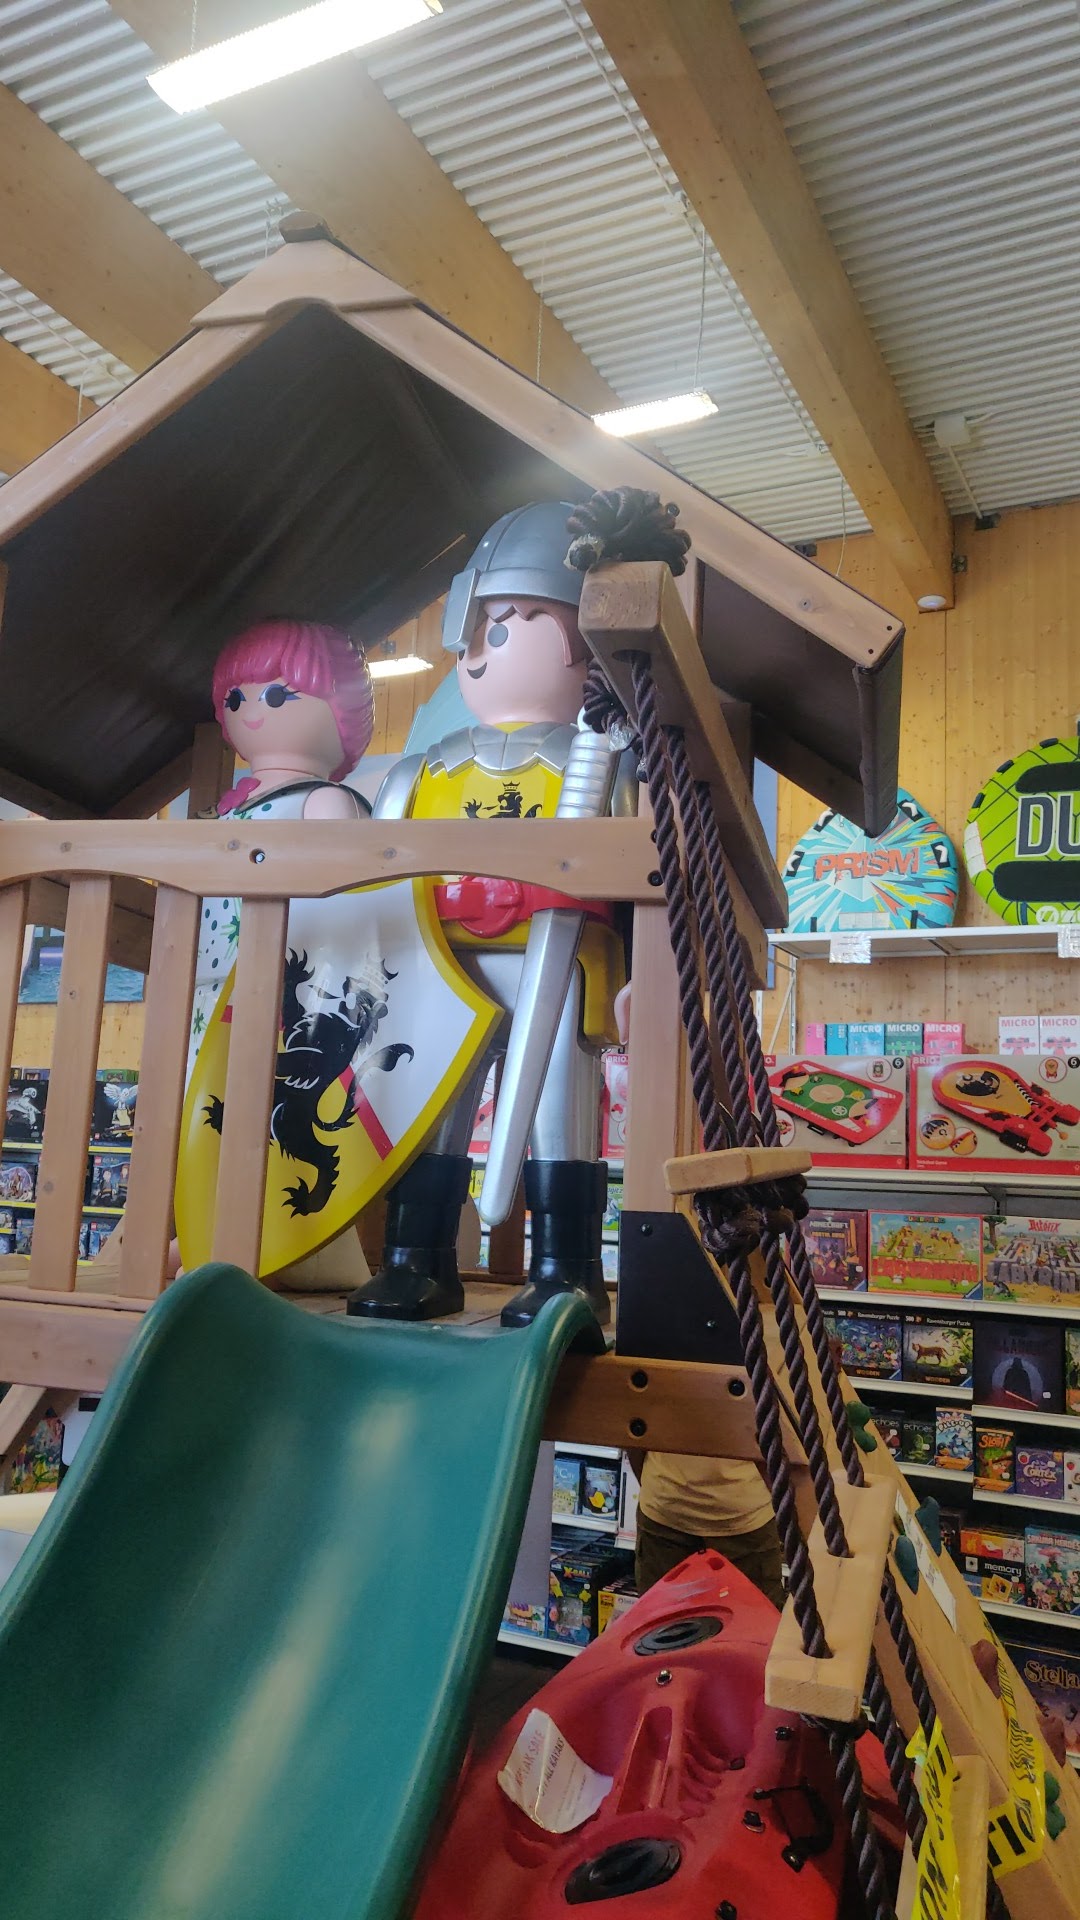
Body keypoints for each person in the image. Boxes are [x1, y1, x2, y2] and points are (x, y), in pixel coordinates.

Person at [630, 1449, 785, 1609]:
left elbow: (633, 1441)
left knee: (661, 1619)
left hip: (669, 1505)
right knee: (755, 1620)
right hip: (670, 1517)